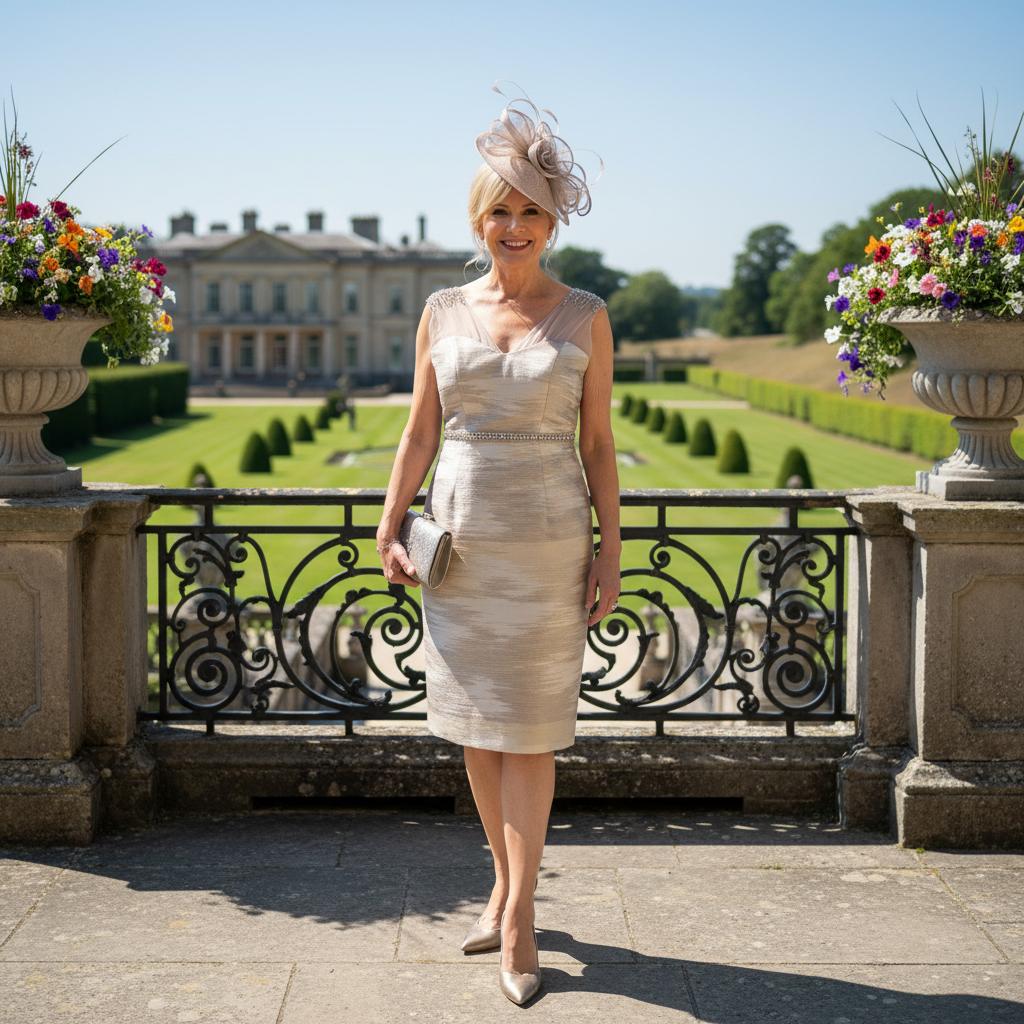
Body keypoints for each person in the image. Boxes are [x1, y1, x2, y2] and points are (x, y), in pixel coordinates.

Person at [376, 86, 621, 1006]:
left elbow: (598, 446)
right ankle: (502, 885)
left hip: (551, 543)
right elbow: (416, 434)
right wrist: (387, 521)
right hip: (462, 549)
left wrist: (611, 551)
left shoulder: (587, 313)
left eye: (530, 211)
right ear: (479, 218)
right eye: (499, 210)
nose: (513, 226)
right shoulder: (441, 311)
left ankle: (519, 919)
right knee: (479, 732)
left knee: (532, 736)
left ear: (552, 221)